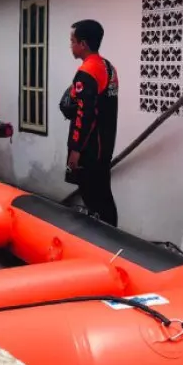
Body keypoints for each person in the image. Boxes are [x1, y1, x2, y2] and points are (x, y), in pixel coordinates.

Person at [62, 19, 119, 227]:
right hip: (104, 144)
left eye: (72, 41)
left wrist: (75, 150)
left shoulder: (87, 72)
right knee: (104, 195)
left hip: (90, 147)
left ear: (83, 44)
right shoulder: (108, 67)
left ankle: (104, 243)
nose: (71, 45)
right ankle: (112, 238)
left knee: (94, 197)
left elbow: (84, 115)